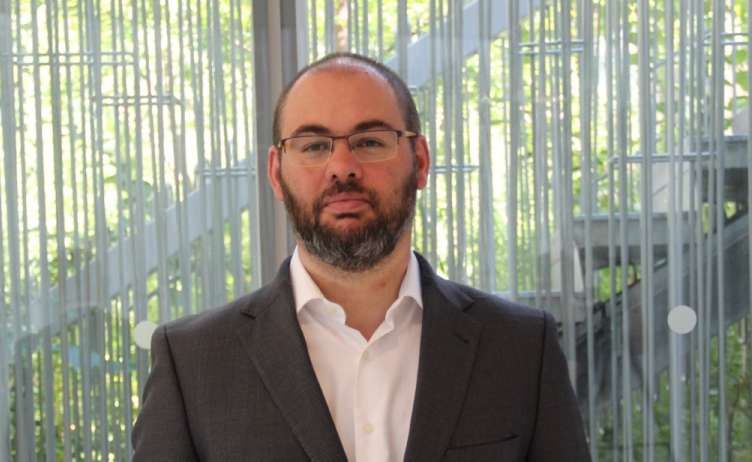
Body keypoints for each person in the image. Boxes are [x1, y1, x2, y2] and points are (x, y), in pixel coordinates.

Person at [132, 52, 591, 462]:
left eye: (370, 141)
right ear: (276, 173)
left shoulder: (520, 348)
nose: (342, 167)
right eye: (314, 146)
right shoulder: (192, 362)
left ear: (420, 161)